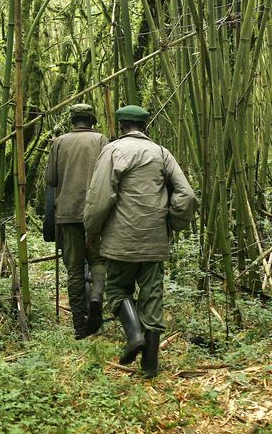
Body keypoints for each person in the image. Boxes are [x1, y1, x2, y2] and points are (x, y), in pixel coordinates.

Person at [83, 105, 197, 378]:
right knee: (153, 300)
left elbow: (100, 199)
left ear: (121, 126)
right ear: (145, 126)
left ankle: (134, 336)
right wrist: (171, 224)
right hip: (154, 240)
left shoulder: (112, 151)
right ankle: (150, 367)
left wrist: (91, 231)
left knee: (118, 291)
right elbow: (187, 196)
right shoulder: (161, 153)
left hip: (120, 240)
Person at [45, 103, 108, 339]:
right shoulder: (102, 140)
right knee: (98, 261)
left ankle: (80, 326)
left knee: (74, 271)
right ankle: (96, 298)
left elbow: (51, 179)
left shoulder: (60, 142)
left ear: (72, 121)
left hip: (68, 214)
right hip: (97, 212)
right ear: (92, 120)